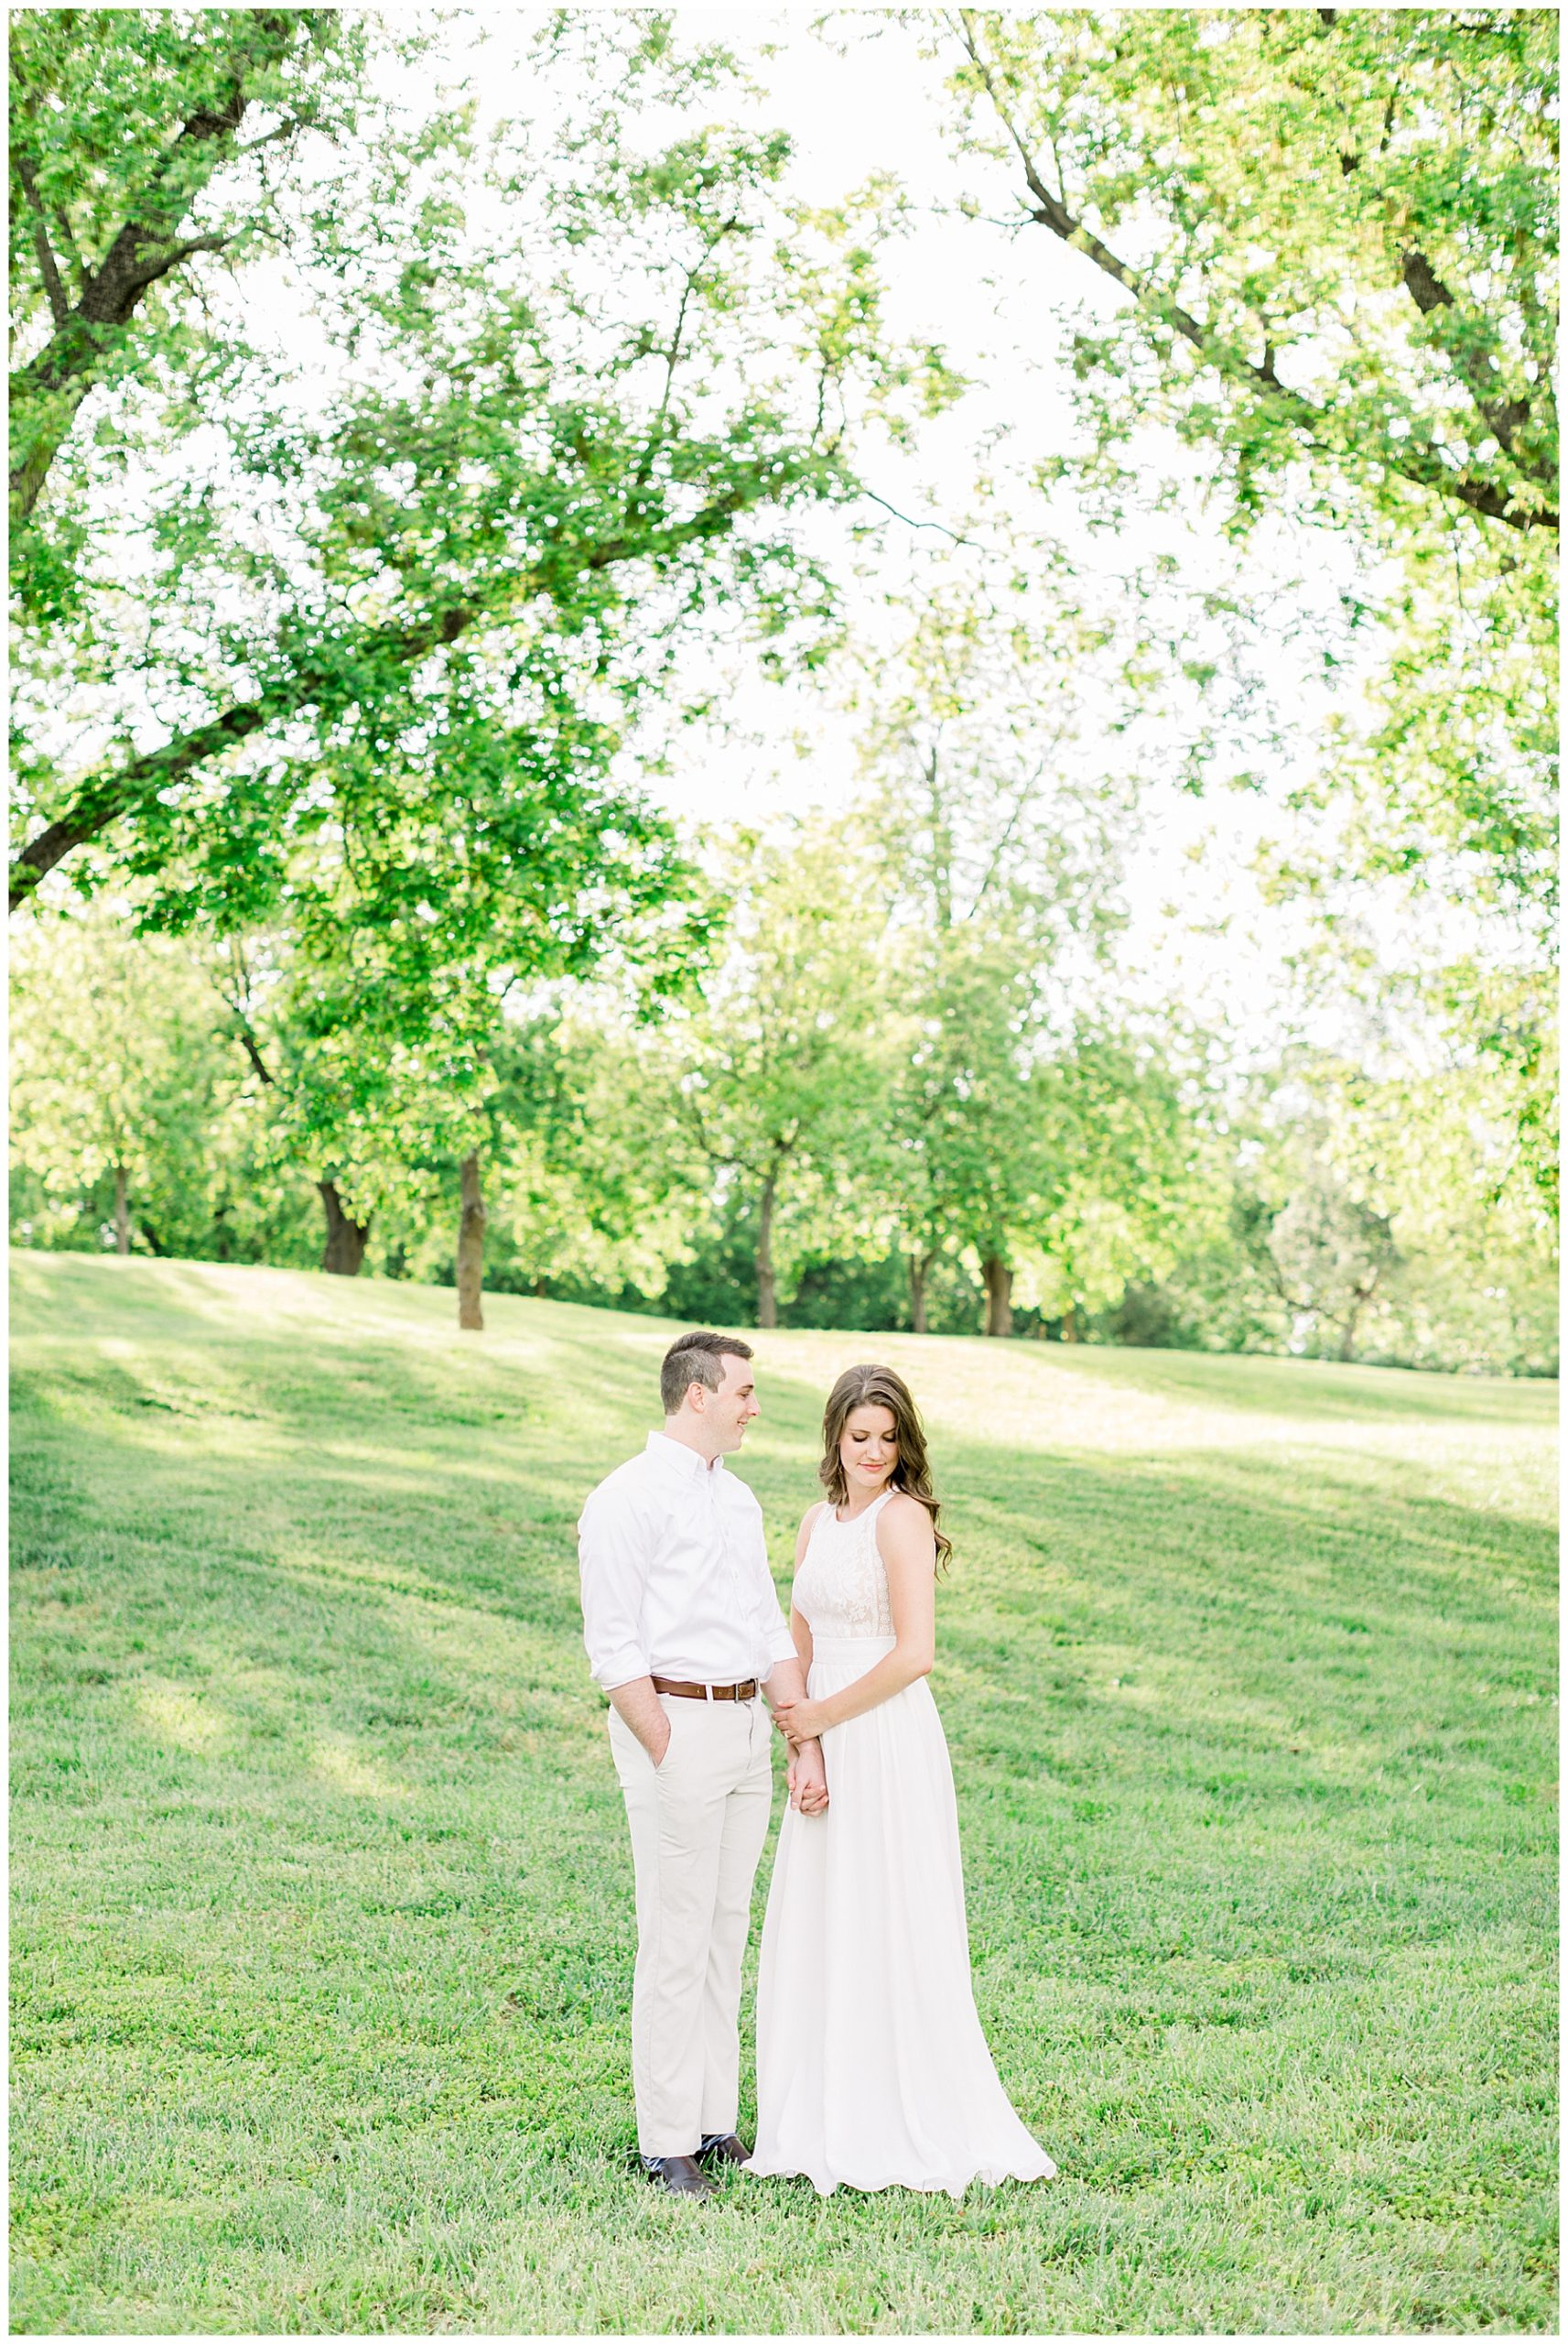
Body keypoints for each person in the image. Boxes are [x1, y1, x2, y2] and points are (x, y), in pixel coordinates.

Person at [747, 1362, 1057, 2197]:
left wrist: (825, 1718)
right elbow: (796, 1640)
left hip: (882, 1735)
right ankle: (813, 2109)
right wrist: (801, 1745)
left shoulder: (902, 1519)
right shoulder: (815, 1520)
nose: (874, 1453)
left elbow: (915, 1654)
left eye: (888, 1438)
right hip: (824, 1732)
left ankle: (893, 2112)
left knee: (885, 1912)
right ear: (834, 1437)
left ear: (904, 1442)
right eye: (859, 1437)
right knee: (822, 1914)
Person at [577, 1330, 827, 2200]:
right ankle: (664, 2139)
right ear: (698, 1396)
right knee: (675, 1935)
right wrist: (665, 1742)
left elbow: (766, 1628)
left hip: (745, 1725)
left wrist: (800, 1735)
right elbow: (611, 1646)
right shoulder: (626, 1498)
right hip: (675, 1727)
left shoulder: (738, 1500)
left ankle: (715, 2121)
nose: (756, 1408)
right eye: (745, 1393)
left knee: (724, 1929)